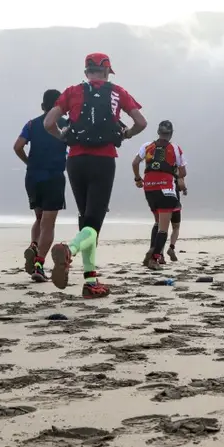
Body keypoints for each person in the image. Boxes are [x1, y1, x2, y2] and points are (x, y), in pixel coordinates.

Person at [44, 53, 147, 298]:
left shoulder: (72, 91)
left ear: (86, 71)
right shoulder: (118, 92)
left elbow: (49, 122)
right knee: (93, 222)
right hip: (103, 160)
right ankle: (69, 250)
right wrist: (126, 134)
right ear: (107, 72)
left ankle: (91, 281)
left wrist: (63, 136)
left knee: (86, 220)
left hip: (76, 160)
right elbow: (141, 122)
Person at [14, 89, 68, 283]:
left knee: (39, 217)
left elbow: (17, 146)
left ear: (43, 105)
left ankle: (34, 245)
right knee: (48, 223)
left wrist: (29, 163)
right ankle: (39, 264)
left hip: (33, 178)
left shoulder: (31, 124)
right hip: (53, 176)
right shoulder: (65, 124)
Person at [133, 120, 187, 271]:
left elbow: (135, 162)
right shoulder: (175, 148)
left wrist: (138, 179)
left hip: (149, 188)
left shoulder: (147, 146)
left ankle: (152, 249)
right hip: (166, 189)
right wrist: (173, 171)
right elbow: (183, 173)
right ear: (170, 134)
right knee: (164, 227)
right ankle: (155, 257)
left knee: (157, 222)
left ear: (158, 132)